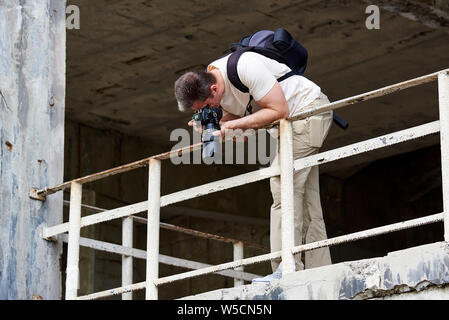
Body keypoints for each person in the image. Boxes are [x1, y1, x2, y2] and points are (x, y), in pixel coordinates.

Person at [174, 51, 333, 282]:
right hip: (288, 126)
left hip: (307, 112)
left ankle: (286, 269)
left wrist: (231, 125)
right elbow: (244, 134)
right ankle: (319, 269)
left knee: (282, 187)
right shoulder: (216, 86)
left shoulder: (244, 67)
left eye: (205, 106)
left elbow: (279, 110)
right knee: (307, 199)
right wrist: (216, 128)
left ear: (213, 90)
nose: (205, 110)